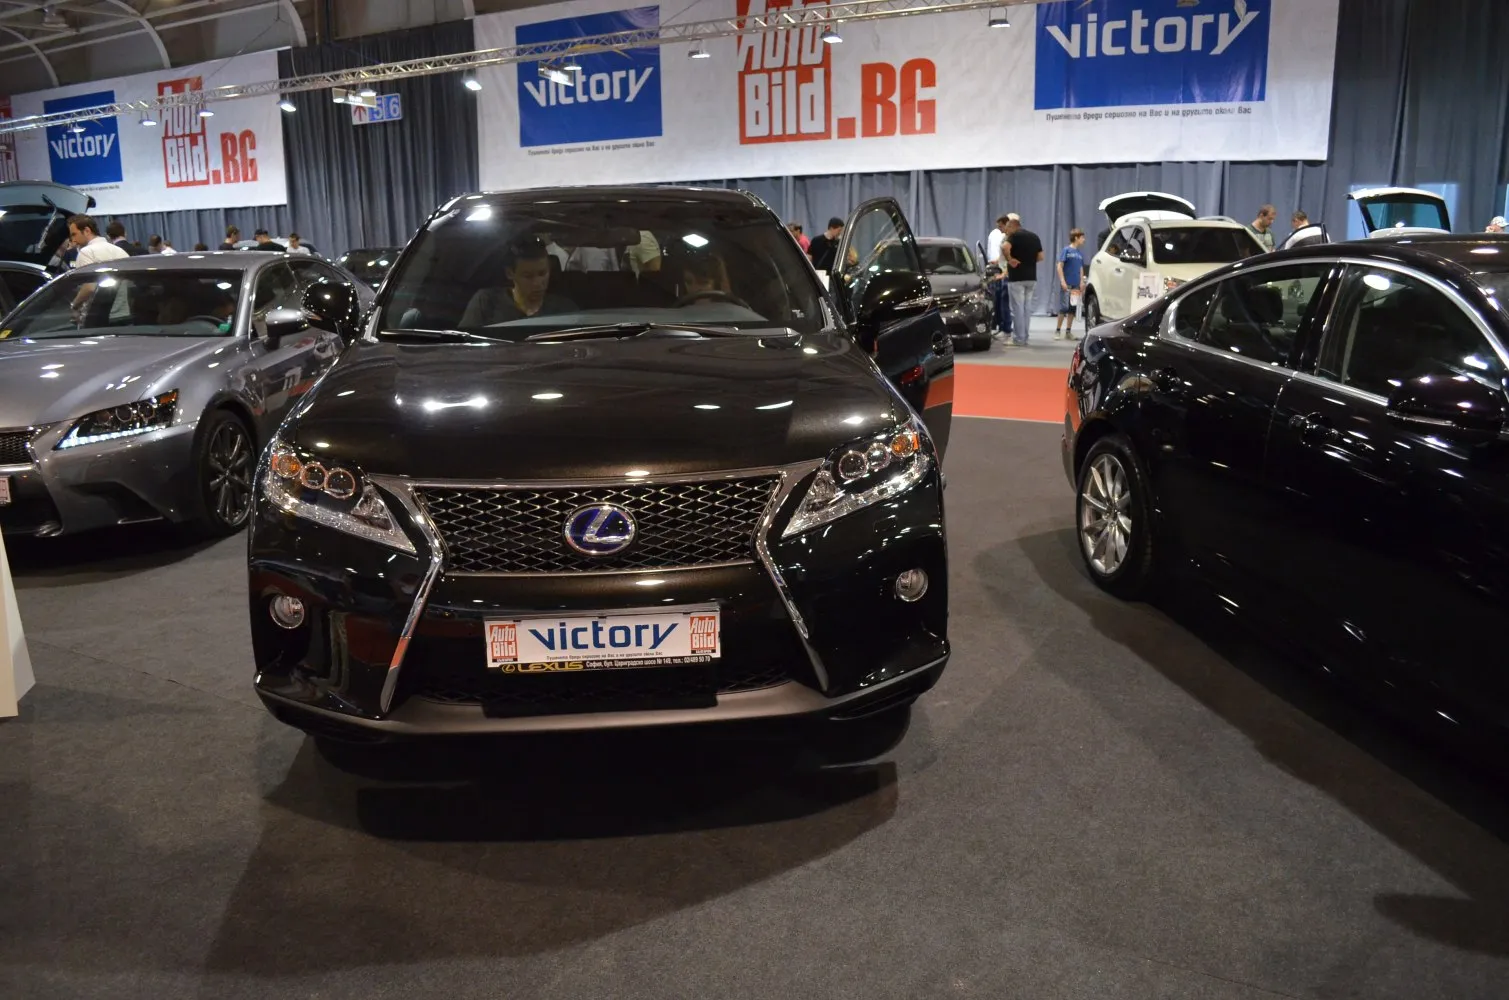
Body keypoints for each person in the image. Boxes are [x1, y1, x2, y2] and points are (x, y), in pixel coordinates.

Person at [459, 238, 575, 326]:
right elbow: (464, 344)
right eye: (528, 276)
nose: (537, 283)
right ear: (510, 273)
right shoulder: (486, 302)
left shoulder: (564, 309)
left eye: (542, 274)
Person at [1004, 214, 1043, 347]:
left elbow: (1005, 247)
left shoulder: (1014, 236)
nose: (1006, 232)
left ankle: (1018, 338)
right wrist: (1029, 261)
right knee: (1027, 309)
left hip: (1017, 277)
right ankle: (1025, 337)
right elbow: (1041, 257)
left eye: (1007, 229)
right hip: (1031, 277)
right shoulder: (1034, 237)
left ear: (1012, 227)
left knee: (1017, 309)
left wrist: (1010, 260)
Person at [1054, 228, 1087, 340]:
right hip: (1067, 284)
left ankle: (1068, 331)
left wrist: (1081, 281)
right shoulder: (1066, 250)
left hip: (1076, 285)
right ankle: (1058, 330)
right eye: (1082, 237)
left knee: (1072, 308)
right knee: (1064, 308)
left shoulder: (1079, 253)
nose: (1084, 240)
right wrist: (1062, 281)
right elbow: (1059, 266)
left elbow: (1081, 268)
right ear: (1076, 238)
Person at [985, 214, 1013, 342]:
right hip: (1002, 272)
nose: (999, 229)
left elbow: (1011, 259)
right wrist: (996, 262)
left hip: (1007, 275)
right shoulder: (1005, 237)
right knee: (1001, 303)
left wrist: (1004, 274)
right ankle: (1003, 328)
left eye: (1001, 226)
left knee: (1005, 304)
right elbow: (1003, 258)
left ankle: (1006, 330)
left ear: (1007, 224)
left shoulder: (1010, 239)